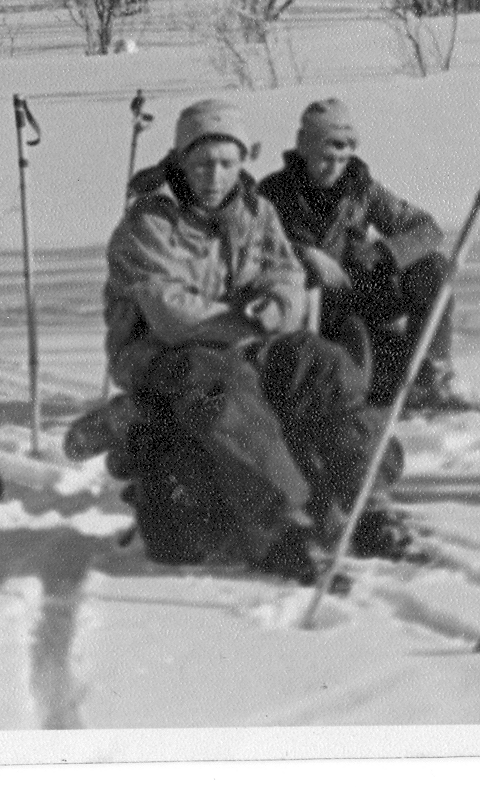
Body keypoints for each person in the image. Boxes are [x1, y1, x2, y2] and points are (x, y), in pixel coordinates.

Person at [93, 98, 412, 583]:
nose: (215, 176)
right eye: (203, 163)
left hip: (241, 340)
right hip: (163, 353)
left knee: (319, 362)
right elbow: (170, 313)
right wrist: (246, 324)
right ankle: (280, 527)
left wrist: (277, 304)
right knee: (227, 384)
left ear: (243, 162)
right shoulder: (149, 223)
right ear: (180, 160)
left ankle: (365, 501)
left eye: (227, 163)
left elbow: (283, 270)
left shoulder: (254, 211)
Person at [258, 98, 475, 413]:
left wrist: (384, 252)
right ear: (303, 147)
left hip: (358, 297)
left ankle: (434, 373)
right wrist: (305, 255)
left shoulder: (361, 189)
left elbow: (426, 229)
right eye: (324, 157)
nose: (333, 168)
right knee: (355, 379)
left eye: (342, 159)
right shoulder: (271, 194)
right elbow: (252, 247)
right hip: (303, 311)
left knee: (433, 268)